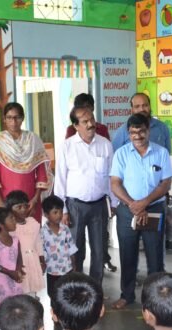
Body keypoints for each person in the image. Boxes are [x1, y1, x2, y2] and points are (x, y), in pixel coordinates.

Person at [110, 114, 172, 309]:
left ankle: (155, 299)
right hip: (127, 211)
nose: (137, 135)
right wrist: (133, 204)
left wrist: (144, 203)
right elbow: (115, 183)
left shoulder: (161, 153)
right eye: (132, 132)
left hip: (153, 209)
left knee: (155, 257)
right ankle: (126, 295)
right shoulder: (121, 153)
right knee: (127, 256)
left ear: (148, 130)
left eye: (141, 131)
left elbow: (166, 183)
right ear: (128, 133)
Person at [54, 105, 115, 284]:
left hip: (99, 205)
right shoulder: (67, 146)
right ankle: (77, 286)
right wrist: (63, 209)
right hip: (74, 206)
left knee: (99, 248)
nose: (90, 124)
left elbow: (112, 176)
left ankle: (96, 288)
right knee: (75, 249)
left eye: (92, 120)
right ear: (75, 125)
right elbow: (60, 180)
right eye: (85, 121)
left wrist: (114, 202)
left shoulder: (105, 144)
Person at [0, 103, 51, 222]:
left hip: (30, 201)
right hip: (5, 200)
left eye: (17, 117)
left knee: (30, 236)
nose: (13, 121)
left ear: (22, 118)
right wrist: (1, 205)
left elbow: (42, 174)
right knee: (6, 237)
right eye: (9, 117)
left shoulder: (33, 139)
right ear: (4, 119)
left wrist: (35, 200)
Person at [41, 196, 78, 312]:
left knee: (67, 292)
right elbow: (41, 251)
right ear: (46, 214)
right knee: (52, 293)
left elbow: (71, 247)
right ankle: (55, 312)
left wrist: (74, 264)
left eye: (61, 212)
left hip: (67, 268)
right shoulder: (43, 232)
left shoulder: (65, 229)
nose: (59, 215)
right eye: (55, 212)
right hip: (52, 270)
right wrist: (42, 264)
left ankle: (65, 312)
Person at [6, 190, 45, 297]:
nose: (23, 210)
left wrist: (42, 260)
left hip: (33, 260)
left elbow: (38, 242)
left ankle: (33, 301)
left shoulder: (32, 222)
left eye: (25, 206)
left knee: (32, 289)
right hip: (19, 264)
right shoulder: (9, 227)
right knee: (20, 290)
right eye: (19, 207)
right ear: (10, 210)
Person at [0, 207, 24, 314]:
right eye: (11, 218)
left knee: (16, 307)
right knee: (2, 309)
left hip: (14, 279)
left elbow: (19, 258)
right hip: (1, 282)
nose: (14, 221)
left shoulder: (16, 240)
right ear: (1, 224)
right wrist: (9, 272)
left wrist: (18, 270)